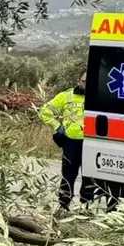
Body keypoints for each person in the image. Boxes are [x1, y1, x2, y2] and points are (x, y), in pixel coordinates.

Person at [40, 73, 87, 210]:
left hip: (90, 143)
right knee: (68, 176)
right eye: (84, 81)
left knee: (89, 177)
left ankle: (85, 206)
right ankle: (63, 205)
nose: (86, 84)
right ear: (79, 80)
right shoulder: (66, 96)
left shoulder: (96, 98)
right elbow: (45, 111)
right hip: (70, 143)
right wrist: (57, 126)